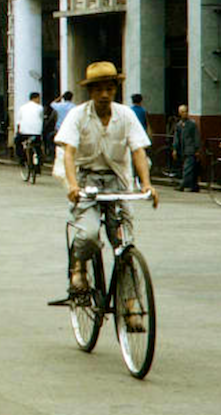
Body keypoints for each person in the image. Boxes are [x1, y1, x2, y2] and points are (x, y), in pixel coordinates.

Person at [55, 62, 158, 302]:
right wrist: (72, 186)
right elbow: (69, 153)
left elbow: (138, 151)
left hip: (117, 180)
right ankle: (78, 266)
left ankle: (131, 303)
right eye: (98, 89)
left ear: (115, 90)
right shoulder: (78, 115)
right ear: (90, 92)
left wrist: (147, 184)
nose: (104, 94)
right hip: (84, 177)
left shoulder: (125, 115)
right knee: (89, 233)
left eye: (109, 89)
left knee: (124, 244)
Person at [171, 105, 201, 192]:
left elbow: (196, 137)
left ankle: (183, 185)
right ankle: (194, 185)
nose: (184, 114)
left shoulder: (192, 124)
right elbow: (176, 137)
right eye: (182, 112)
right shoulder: (179, 125)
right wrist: (175, 149)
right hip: (182, 149)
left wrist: (197, 149)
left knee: (187, 168)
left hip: (190, 149)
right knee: (191, 168)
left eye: (185, 111)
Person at [15, 92, 45, 173]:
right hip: (36, 132)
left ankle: (22, 160)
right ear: (35, 98)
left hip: (24, 132)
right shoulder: (40, 108)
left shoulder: (22, 108)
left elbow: (18, 122)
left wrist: (18, 131)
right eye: (39, 98)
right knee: (38, 146)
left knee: (18, 142)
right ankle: (38, 166)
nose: (39, 100)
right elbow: (41, 118)